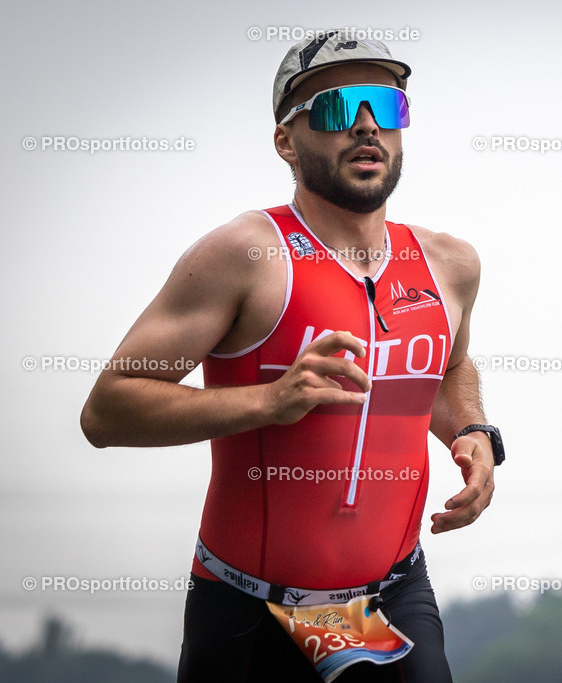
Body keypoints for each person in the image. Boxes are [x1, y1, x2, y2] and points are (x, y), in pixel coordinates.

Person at [80, 30, 505, 682]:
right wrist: (269, 401)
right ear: (286, 140)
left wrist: (472, 429)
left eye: (387, 107)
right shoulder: (246, 254)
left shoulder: (451, 264)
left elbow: (447, 368)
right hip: (250, 608)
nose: (367, 126)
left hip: (390, 599)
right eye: (336, 108)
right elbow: (107, 411)